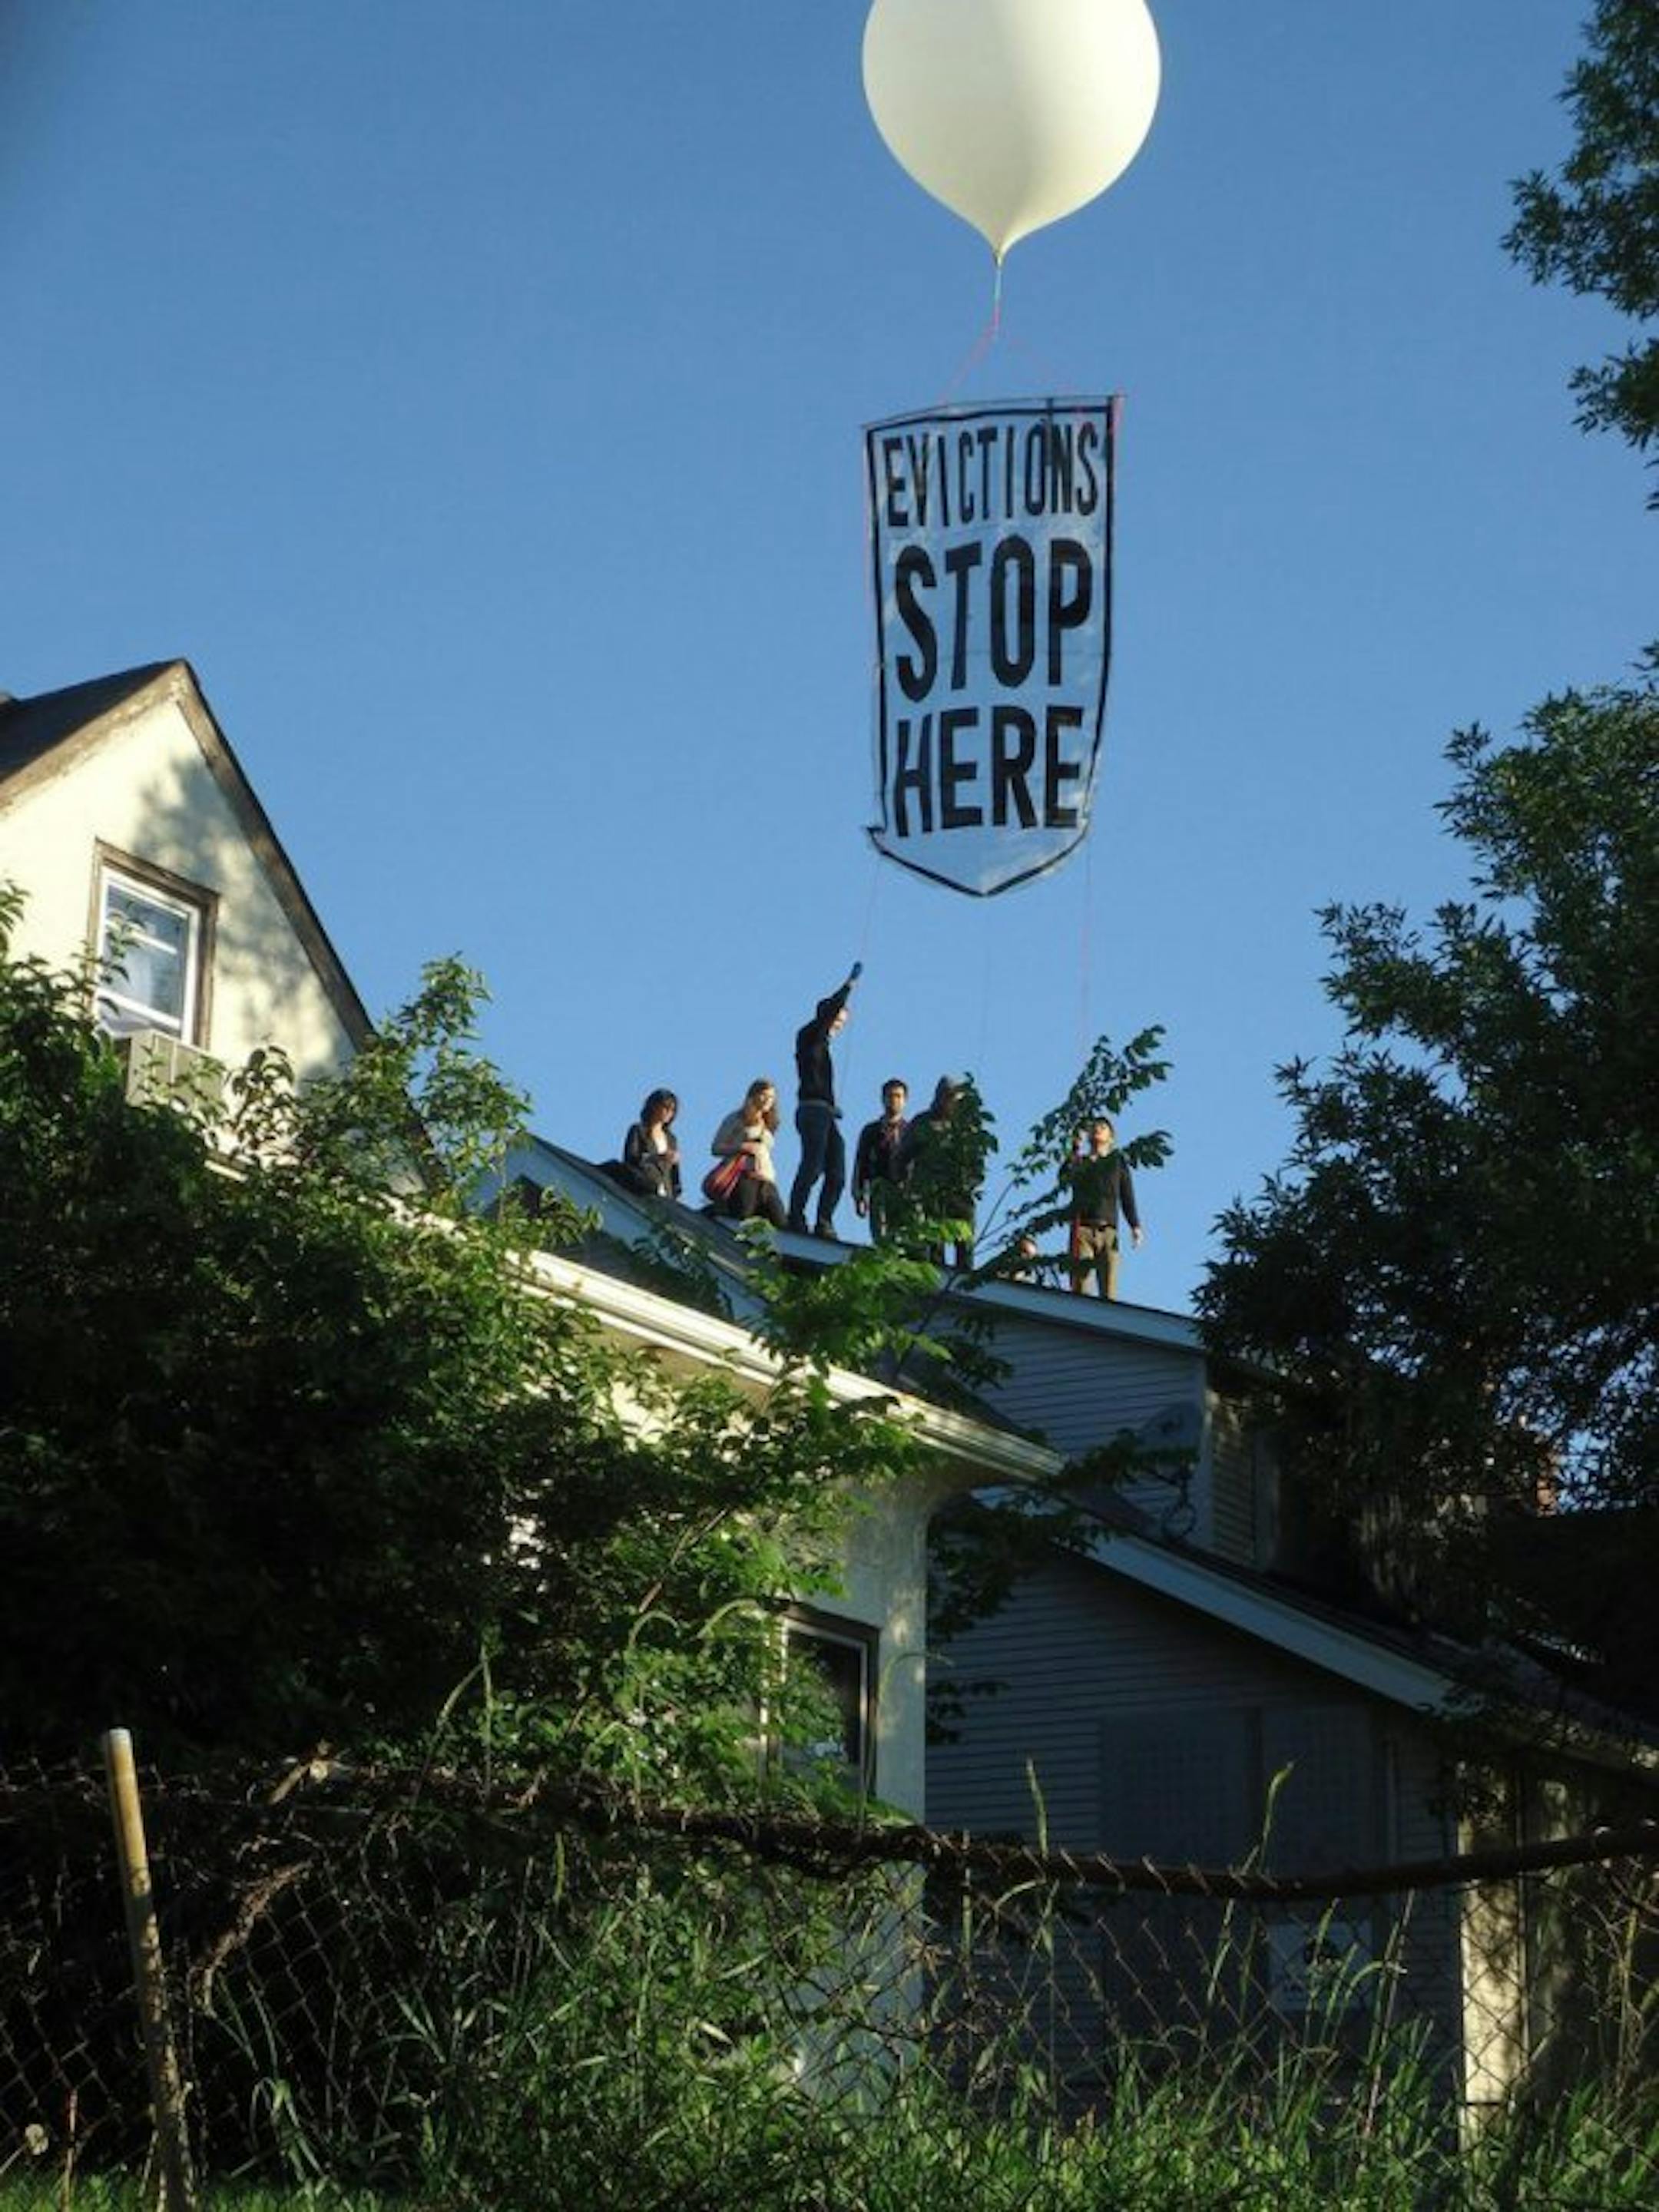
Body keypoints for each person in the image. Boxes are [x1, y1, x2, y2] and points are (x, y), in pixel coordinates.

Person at [787, 960, 861, 1237]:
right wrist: (849, 984)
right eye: (838, 1020)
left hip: (824, 1112)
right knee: (813, 1165)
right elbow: (830, 1012)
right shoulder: (809, 1036)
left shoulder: (822, 1047)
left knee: (837, 1170)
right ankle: (795, 1216)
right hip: (812, 1112)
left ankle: (824, 1221)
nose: (839, 1026)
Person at [896, 1075, 978, 1269]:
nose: (952, 1102)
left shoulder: (967, 1128)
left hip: (960, 1193)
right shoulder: (923, 1123)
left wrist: (970, 1183)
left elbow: (977, 1162)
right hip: (930, 1193)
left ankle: (965, 1277)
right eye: (949, 1097)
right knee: (934, 1243)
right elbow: (902, 1157)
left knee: (964, 1238)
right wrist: (904, 1184)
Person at [1061, 1117, 1144, 1300]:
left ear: (1111, 1137)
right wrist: (1075, 1148)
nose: (1097, 1130)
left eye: (1103, 1127)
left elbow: (1126, 1194)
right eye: (1094, 1128)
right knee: (1081, 1286)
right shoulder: (1081, 1162)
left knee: (1109, 1290)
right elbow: (1064, 1178)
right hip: (1082, 1229)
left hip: (1108, 1232)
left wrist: (1135, 1225)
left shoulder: (1117, 1162)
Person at [710, 1078, 787, 1230]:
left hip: (766, 1180)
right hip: (745, 1178)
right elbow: (716, 1148)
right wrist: (742, 1146)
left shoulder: (768, 1123)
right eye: (764, 1095)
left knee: (780, 1223)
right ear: (754, 1095)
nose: (767, 1101)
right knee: (742, 1222)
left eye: (771, 1098)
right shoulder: (737, 1119)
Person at [852, 1077, 909, 1243]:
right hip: (879, 1187)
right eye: (890, 1096)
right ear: (883, 1099)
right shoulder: (871, 1131)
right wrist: (859, 1195)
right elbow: (860, 1163)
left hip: (904, 1191)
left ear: (905, 1101)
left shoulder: (910, 1131)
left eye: (898, 1096)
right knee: (881, 1236)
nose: (894, 1100)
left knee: (904, 1238)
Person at [617, 1088, 682, 1201]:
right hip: (642, 1188)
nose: (669, 1113)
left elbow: (674, 1175)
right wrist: (658, 1157)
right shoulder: (638, 1130)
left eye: (672, 1110)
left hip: (666, 1194)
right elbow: (631, 1158)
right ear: (654, 1106)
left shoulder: (672, 1140)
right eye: (666, 1108)